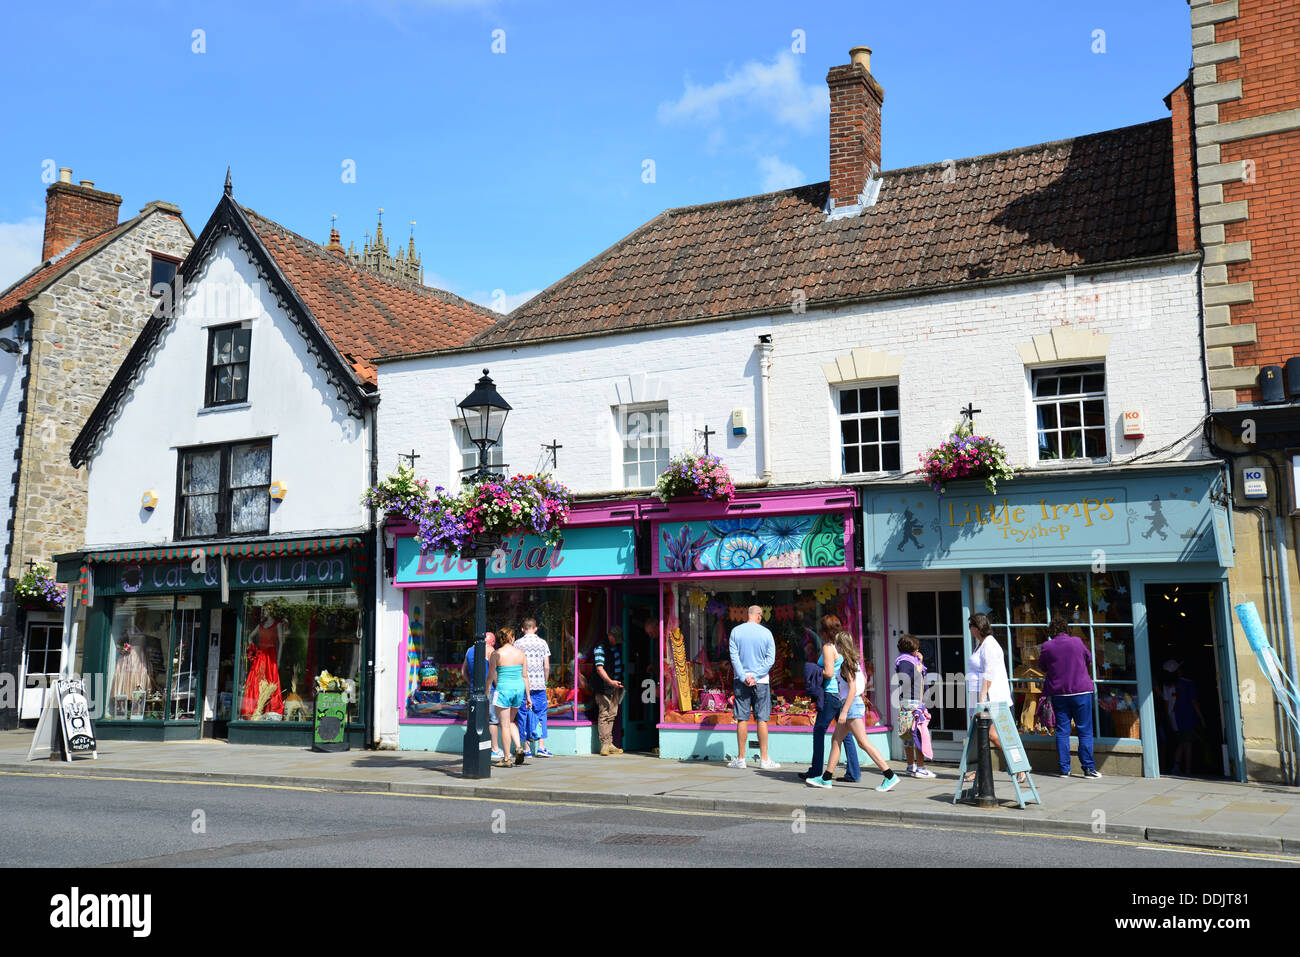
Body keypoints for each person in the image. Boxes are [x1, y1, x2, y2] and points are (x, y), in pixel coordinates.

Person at [807, 631, 899, 791]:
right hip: (852, 704)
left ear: (841, 645)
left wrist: (844, 712)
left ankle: (890, 775)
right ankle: (826, 778)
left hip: (851, 706)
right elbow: (860, 683)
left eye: (836, 643)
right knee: (836, 740)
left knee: (863, 743)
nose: (834, 646)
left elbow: (852, 689)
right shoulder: (853, 662)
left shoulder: (845, 665)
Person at [1039, 616, 1100, 779]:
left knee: (1062, 731)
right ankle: (1088, 768)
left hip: (1059, 693)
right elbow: (1088, 659)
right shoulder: (1077, 642)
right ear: (1067, 629)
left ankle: (1064, 769)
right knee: (1084, 730)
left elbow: (1043, 666)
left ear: (1051, 632)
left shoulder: (1047, 646)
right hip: (1081, 691)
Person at [965, 613, 1022, 784]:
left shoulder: (989, 645)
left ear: (977, 627)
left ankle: (1019, 765)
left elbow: (989, 673)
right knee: (978, 735)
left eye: (971, 626)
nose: (969, 629)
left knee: (994, 735)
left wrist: (982, 698)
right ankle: (977, 770)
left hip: (989, 697)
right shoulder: (981, 644)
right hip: (977, 695)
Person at [803, 614, 861, 783]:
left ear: (825, 631)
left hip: (831, 694)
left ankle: (815, 770)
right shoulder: (842, 646)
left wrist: (813, 670)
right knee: (846, 735)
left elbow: (828, 673)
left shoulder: (829, 647)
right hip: (842, 695)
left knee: (819, 730)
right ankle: (853, 772)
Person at [728, 605, 780, 770]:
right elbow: (770, 659)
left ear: (747, 615)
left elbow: (734, 657)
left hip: (741, 681)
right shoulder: (766, 633)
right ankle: (764, 759)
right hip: (761, 681)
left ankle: (741, 758)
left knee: (742, 718)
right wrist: (756, 676)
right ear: (759, 616)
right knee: (762, 719)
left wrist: (744, 676)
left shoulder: (736, 631)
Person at [488, 626, 531, 767]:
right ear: (512, 638)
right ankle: (519, 747)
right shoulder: (521, 653)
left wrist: (486, 691)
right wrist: (528, 696)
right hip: (519, 690)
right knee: (511, 721)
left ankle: (506, 758)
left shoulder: (496, 654)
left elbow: (490, 676)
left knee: (504, 725)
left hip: (503, 690)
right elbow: (525, 676)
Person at [894, 634, 934, 778]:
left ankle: (911, 766)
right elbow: (904, 679)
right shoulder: (906, 662)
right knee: (918, 734)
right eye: (917, 647)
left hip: (911, 701)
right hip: (912, 702)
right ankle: (921, 768)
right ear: (912, 648)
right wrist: (917, 668)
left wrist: (919, 662)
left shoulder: (909, 660)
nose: (918, 649)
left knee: (910, 736)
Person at [515, 617, 553, 757]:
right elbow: (547, 666)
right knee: (541, 714)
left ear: (522, 629)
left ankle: (527, 748)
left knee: (523, 715)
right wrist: (545, 682)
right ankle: (541, 747)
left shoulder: (517, 643)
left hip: (524, 685)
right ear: (536, 628)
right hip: (539, 685)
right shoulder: (542, 643)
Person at [1160, 659, 1206, 775]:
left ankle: (1176, 766)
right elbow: (1194, 702)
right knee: (1188, 743)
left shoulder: (1166, 686)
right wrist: (1201, 718)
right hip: (1186, 716)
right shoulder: (1188, 683)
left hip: (1174, 718)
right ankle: (1188, 769)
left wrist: (1168, 719)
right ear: (1177, 671)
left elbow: (1166, 704)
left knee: (1181, 742)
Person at [464, 630, 502, 761]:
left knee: (476, 720)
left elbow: (464, 672)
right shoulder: (490, 650)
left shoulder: (469, 650)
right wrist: (498, 686)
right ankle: (495, 749)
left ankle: (476, 746)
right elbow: (494, 672)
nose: (494, 644)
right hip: (489, 690)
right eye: (493, 641)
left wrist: (472, 684)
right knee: (492, 720)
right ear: (490, 641)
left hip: (474, 691)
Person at [592, 626, 625, 755]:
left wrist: (619, 682)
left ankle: (609, 743)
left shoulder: (615, 647)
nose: (616, 641)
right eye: (615, 639)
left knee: (612, 714)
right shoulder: (600, 648)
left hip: (615, 686)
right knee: (604, 714)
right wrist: (610, 681)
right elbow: (599, 668)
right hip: (604, 686)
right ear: (609, 635)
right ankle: (604, 744)